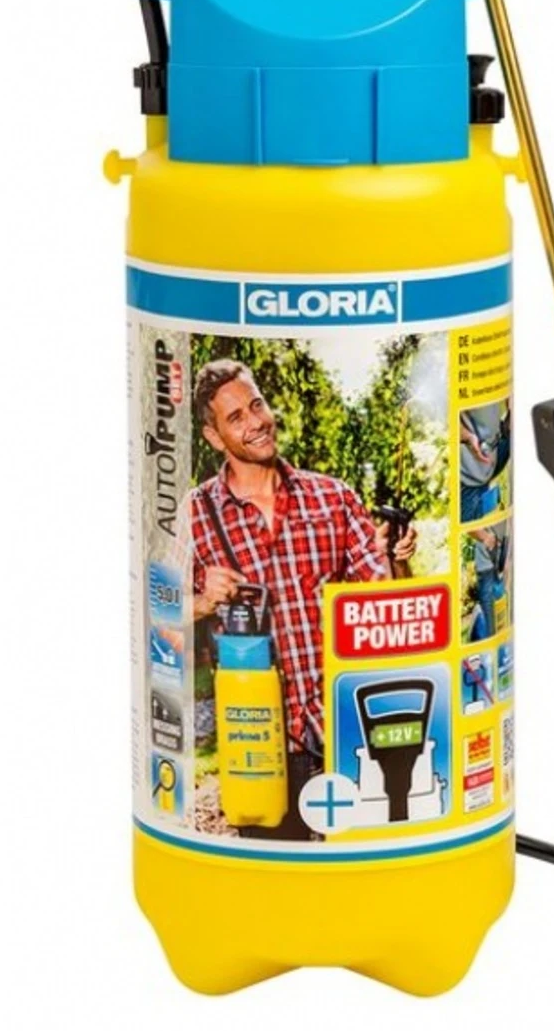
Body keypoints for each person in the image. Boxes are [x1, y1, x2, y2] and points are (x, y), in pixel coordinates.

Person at [184, 358, 416, 840]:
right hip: (260, 746)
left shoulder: (332, 498)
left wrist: (395, 557)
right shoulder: (195, 514)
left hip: (344, 731)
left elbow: (386, 600)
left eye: (257, 405)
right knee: (271, 870)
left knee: (360, 867)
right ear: (213, 437)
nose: (255, 422)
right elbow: (157, 618)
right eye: (235, 417)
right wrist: (203, 602)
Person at [459, 400, 511, 522]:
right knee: (469, 521)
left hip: (494, 449)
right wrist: (467, 437)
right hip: (470, 471)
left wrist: (511, 412)